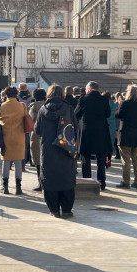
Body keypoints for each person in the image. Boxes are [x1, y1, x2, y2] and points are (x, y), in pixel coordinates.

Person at [34, 84, 78, 218]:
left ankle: (53, 209)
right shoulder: (69, 108)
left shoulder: (42, 109)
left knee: (49, 178)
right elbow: (75, 126)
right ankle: (66, 210)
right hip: (65, 148)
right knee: (67, 177)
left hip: (48, 149)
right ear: (62, 94)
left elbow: (38, 130)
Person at [75, 81, 112, 190]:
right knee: (101, 158)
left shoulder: (83, 99)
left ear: (89, 88)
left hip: (86, 132)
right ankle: (102, 182)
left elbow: (76, 114)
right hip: (101, 131)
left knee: (85, 158)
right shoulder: (104, 99)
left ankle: (87, 181)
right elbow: (108, 114)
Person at [115, 85, 137, 189]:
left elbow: (118, 115)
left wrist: (120, 104)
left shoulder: (125, 103)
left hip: (126, 134)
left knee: (126, 160)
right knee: (136, 160)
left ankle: (126, 181)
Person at [0, 87, 27, 195]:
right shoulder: (22, 106)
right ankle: (18, 187)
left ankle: (5, 186)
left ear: (6, 94)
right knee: (18, 161)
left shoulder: (1, 106)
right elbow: (25, 117)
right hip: (19, 136)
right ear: (16, 94)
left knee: (6, 161)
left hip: (6, 137)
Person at [28, 88, 47, 192]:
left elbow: (31, 121)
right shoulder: (48, 105)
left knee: (38, 161)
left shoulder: (33, 107)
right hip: (48, 134)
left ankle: (40, 183)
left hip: (36, 135)